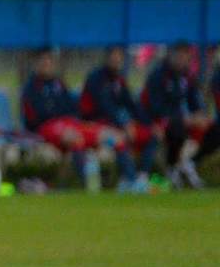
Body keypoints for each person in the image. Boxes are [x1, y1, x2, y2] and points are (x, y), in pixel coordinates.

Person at [23, 49, 125, 184]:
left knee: (113, 136)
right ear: (37, 64)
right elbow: (36, 117)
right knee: (75, 138)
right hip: (46, 127)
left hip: (69, 123)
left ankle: (129, 179)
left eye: (49, 61)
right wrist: (59, 118)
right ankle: (88, 181)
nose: (47, 64)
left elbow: (72, 107)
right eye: (43, 61)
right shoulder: (31, 88)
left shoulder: (58, 84)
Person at [80, 45, 158, 192]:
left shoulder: (119, 79)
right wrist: (124, 123)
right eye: (113, 56)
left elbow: (132, 105)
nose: (116, 60)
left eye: (119, 57)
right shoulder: (96, 78)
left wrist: (148, 123)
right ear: (107, 57)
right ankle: (130, 179)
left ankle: (142, 177)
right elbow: (105, 107)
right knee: (119, 139)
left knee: (151, 134)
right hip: (95, 126)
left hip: (116, 125)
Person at [141, 42, 218, 189]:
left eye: (186, 56)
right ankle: (168, 169)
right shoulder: (158, 76)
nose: (183, 60)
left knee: (214, 128)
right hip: (161, 122)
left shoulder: (187, 77)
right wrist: (184, 118)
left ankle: (190, 162)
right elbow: (156, 108)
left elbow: (195, 101)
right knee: (177, 127)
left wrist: (200, 115)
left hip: (185, 121)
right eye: (180, 56)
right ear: (171, 55)